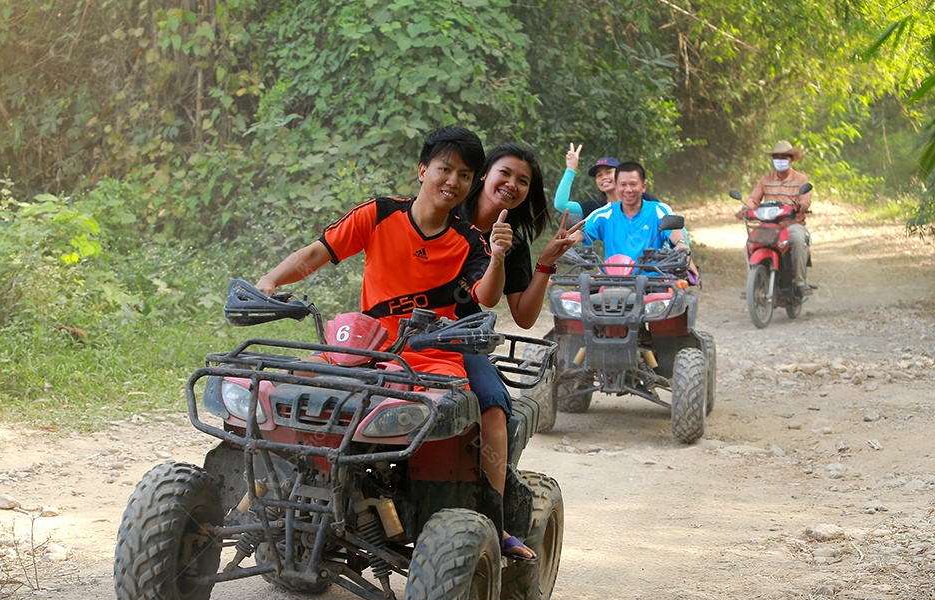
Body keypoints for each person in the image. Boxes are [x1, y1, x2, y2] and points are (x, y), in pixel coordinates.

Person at [254, 125, 534, 558]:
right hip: (363, 348)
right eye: (444, 169)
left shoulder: (472, 242)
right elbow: (316, 253)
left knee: (467, 417)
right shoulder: (378, 213)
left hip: (434, 355)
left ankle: (490, 522)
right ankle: (272, 490)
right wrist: (270, 281)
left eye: (464, 175)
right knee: (282, 392)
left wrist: (498, 257)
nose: (453, 181)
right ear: (422, 170)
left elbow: (486, 296)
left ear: (472, 182)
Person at [454, 143, 581, 559]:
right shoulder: (443, 214)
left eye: (523, 181)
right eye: (505, 173)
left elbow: (523, 316)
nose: (512, 184)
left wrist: (545, 263)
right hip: (397, 328)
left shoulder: (515, 246)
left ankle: (495, 521)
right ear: (484, 174)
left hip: (459, 340)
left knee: (493, 406)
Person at [577, 161, 696, 279]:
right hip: (611, 281)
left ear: (644, 187)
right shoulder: (603, 214)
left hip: (653, 282)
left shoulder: (658, 210)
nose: (628, 189)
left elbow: (674, 230)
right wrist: (566, 242)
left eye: (633, 184)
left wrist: (681, 243)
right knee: (578, 289)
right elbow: (577, 235)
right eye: (623, 185)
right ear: (617, 187)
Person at [736, 140, 812, 293]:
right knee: (750, 244)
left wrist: (800, 206)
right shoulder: (766, 179)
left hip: (792, 225)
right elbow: (753, 199)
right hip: (769, 226)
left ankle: (799, 282)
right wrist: (745, 209)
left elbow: (805, 200)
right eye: (776, 157)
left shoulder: (801, 179)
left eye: (783, 157)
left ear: (791, 159)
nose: (779, 160)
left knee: (798, 240)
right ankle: (755, 281)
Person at [553, 142, 658, 220]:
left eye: (608, 172)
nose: (604, 177)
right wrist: (570, 169)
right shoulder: (596, 208)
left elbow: (663, 218)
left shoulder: (641, 197)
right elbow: (560, 204)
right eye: (599, 175)